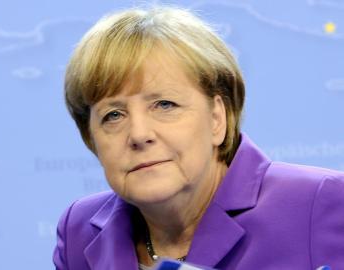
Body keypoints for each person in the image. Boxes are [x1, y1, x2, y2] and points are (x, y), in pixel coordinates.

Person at [53, 6, 344, 270]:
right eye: (113, 115)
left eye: (164, 105)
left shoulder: (319, 204)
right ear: (90, 138)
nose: (139, 135)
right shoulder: (78, 231)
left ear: (218, 117)